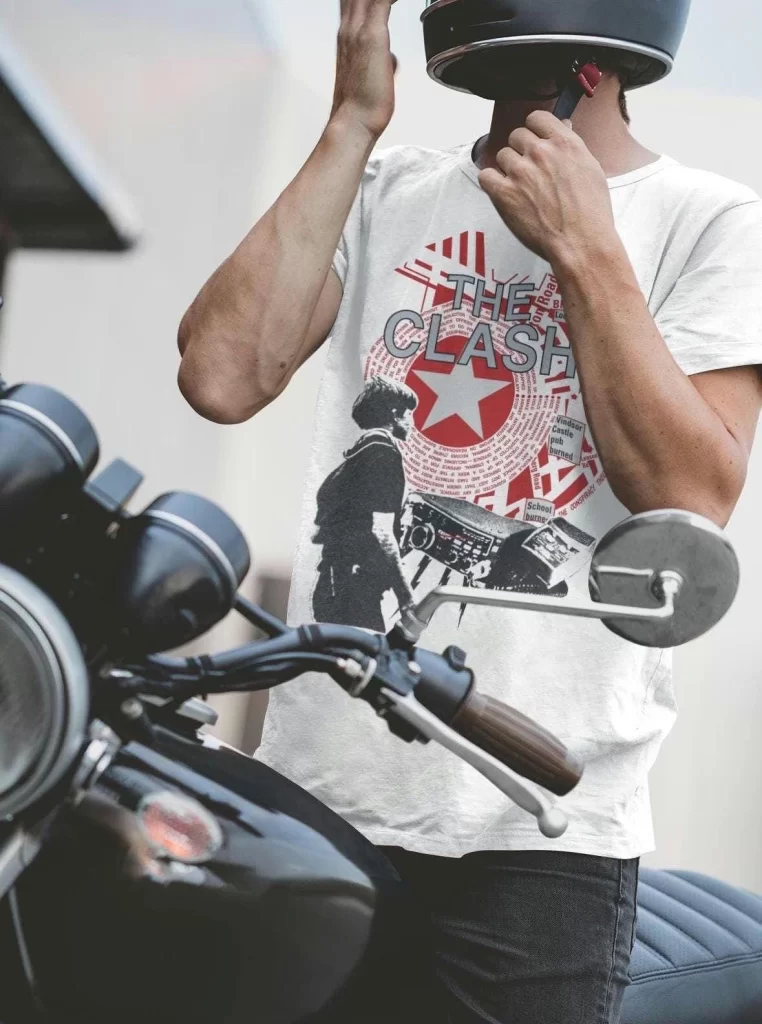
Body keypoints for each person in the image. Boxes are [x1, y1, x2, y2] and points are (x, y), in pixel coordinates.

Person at [176, 1, 762, 1021]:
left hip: (538, 836)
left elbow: (690, 496)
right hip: (320, 791)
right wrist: (351, 124)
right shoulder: (386, 188)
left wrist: (587, 249)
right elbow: (221, 377)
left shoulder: (710, 219)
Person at [313, 375, 417, 631]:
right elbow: (381, 531)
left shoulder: (356, 457)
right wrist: (406, 597)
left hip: (335, 586)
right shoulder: (383, 455)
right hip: (353, 594)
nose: (413, 422)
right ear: (394, 413)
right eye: (410, 413)